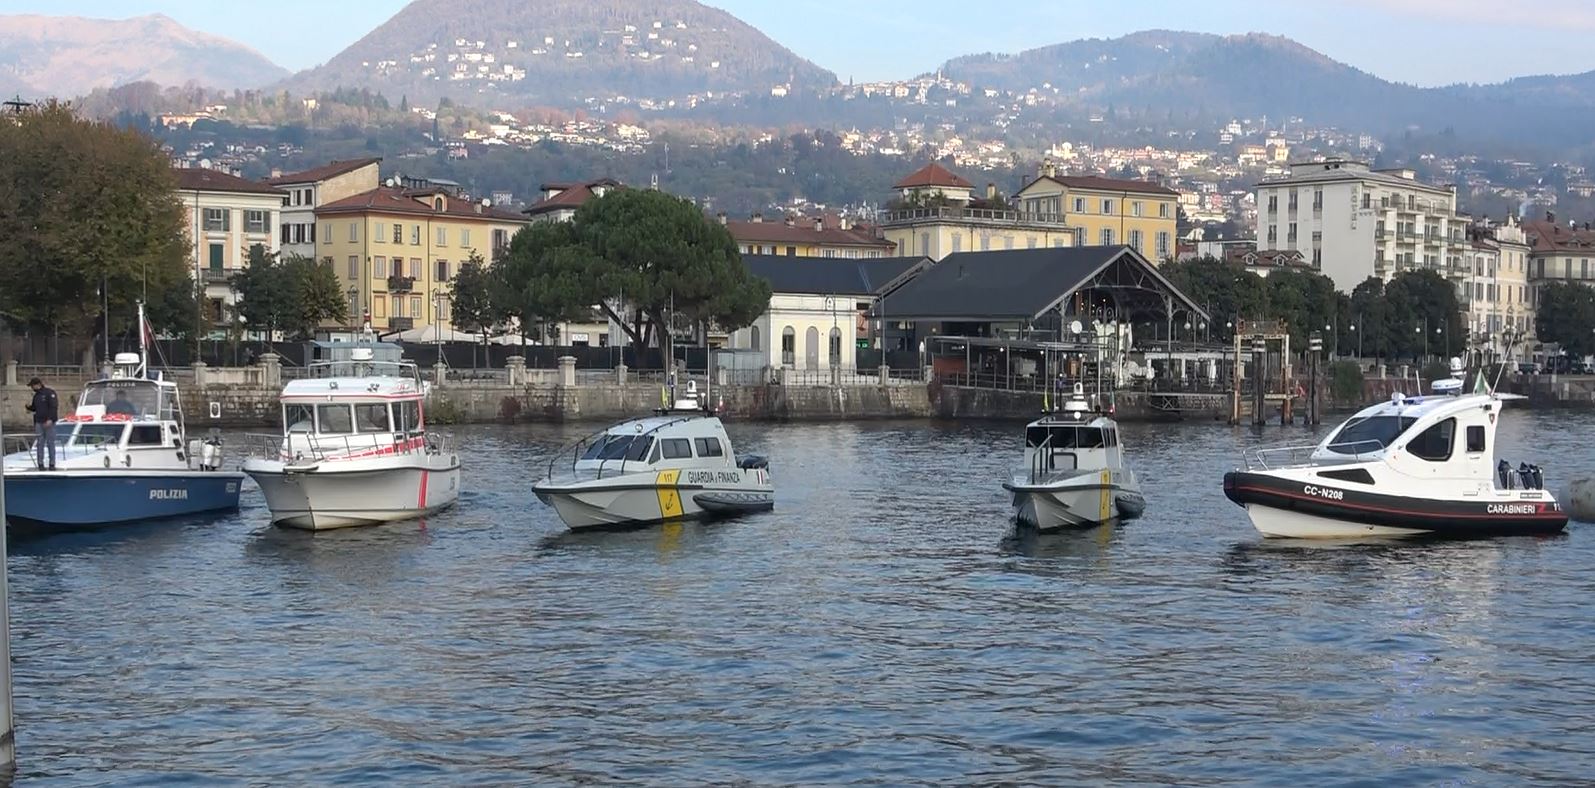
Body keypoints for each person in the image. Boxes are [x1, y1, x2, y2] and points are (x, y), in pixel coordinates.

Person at [24, 377, 58, 470]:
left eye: (32, 386)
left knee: (50, 443)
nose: (32, 388)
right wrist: (28, 407)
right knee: (40, 443)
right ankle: (40, 464)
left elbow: (53, 407)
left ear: (38, 385)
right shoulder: (36, 396)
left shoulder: (49, 393)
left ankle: (52, 464)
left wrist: (50, 419)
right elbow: (34, 408)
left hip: (48, 422)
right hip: (38, 422)